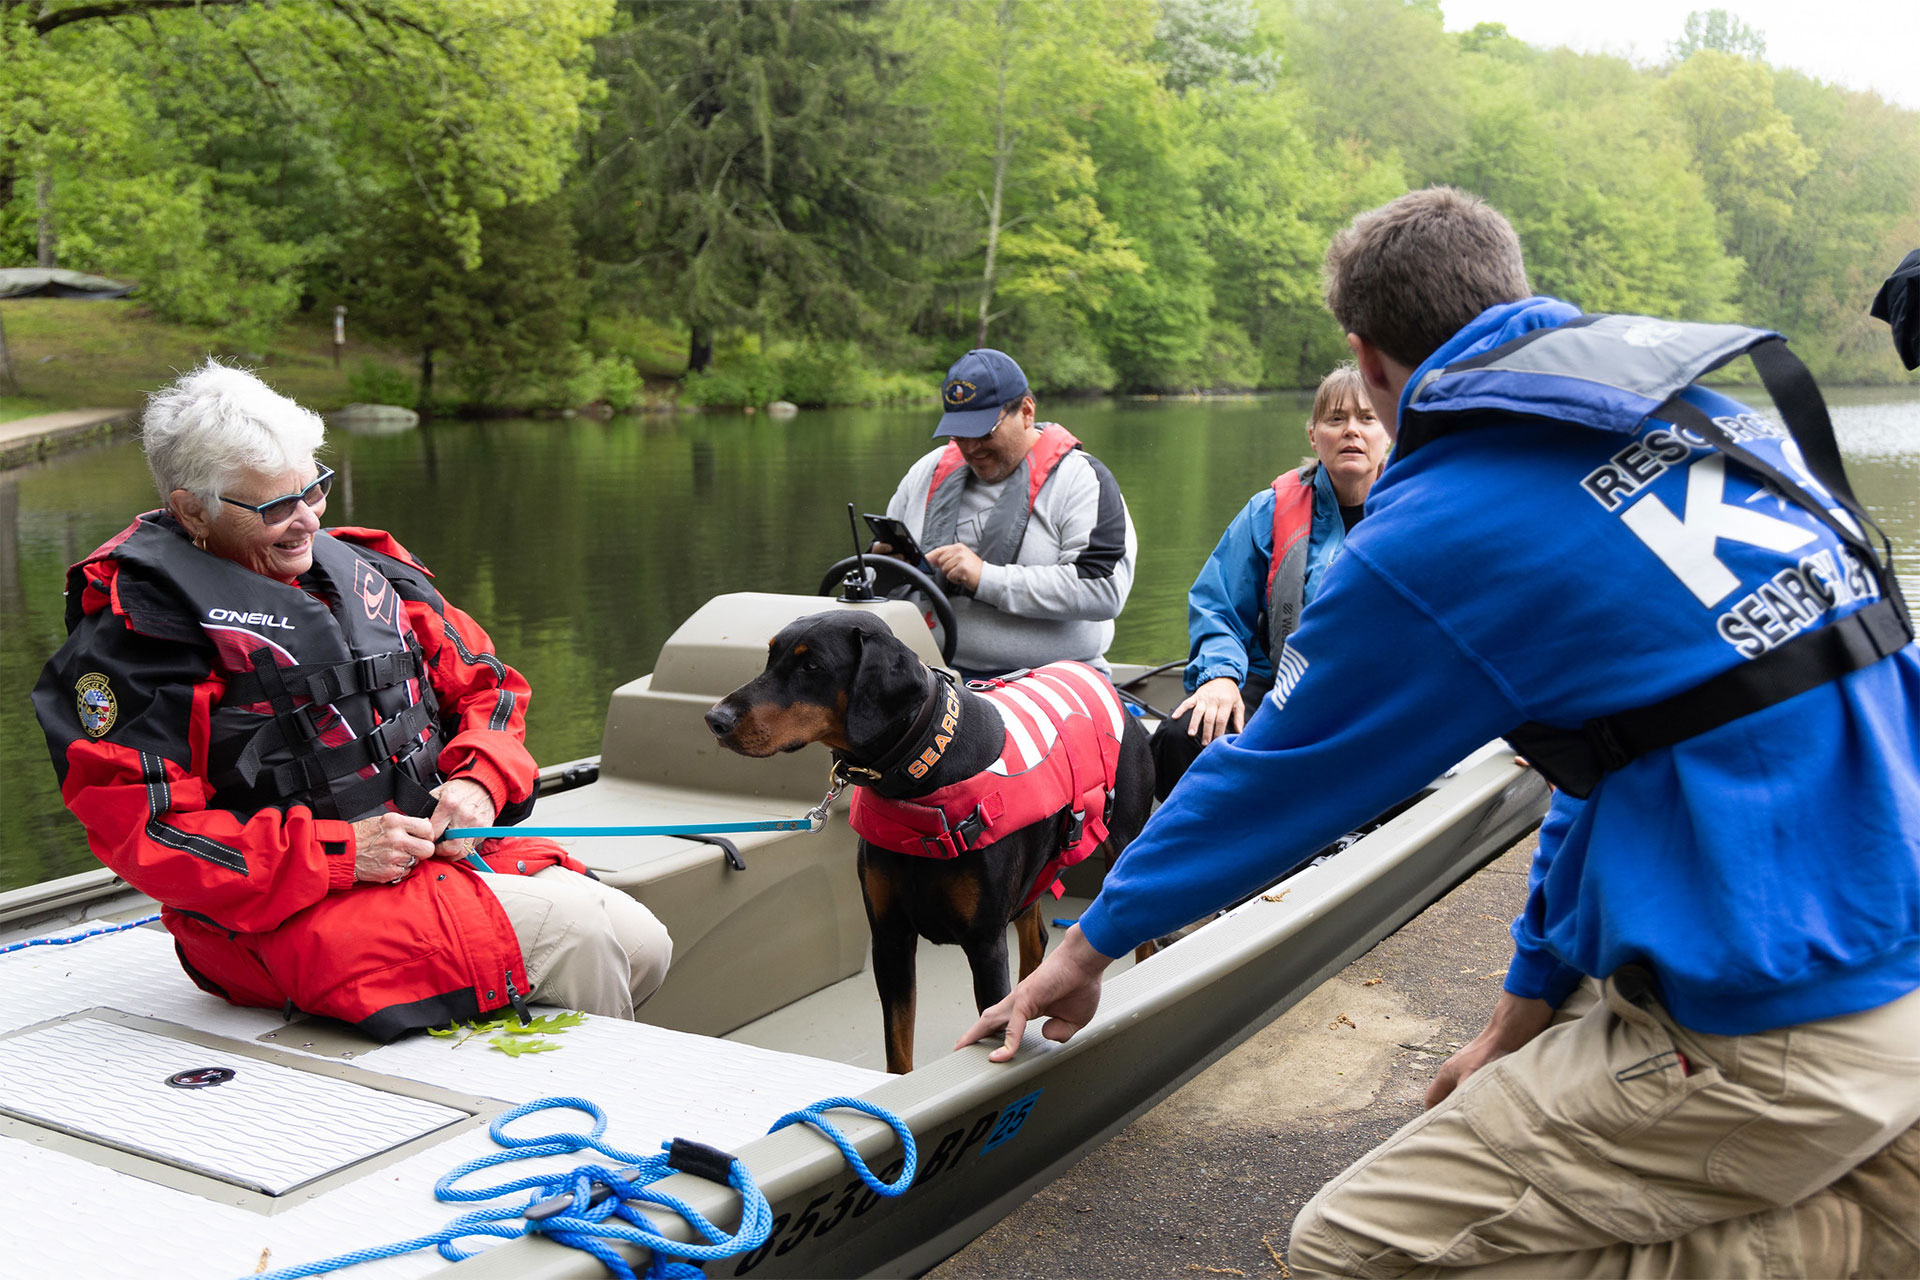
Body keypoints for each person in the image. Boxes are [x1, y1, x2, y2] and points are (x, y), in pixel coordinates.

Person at [961, 188, 1920, 1276]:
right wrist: (1519, 1016)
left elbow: (1275, 771)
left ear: (1368, 361)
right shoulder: (1706, 421)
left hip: (1774, 1021)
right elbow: (1602, 760)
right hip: (1894, 959)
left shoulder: (1446, 524)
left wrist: (1088, 945)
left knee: (1355, 1248)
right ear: (1510, 294)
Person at [33, 360, 671, 1041]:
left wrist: (479, 783)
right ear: (193, 509)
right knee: (584, 941)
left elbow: (490, 687)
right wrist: (340, 854)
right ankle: (582, 1126)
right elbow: (149, 834)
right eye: (275, 506)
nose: (306, 520)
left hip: (433, 859)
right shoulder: (136, 639)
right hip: (270, 917)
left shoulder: (372, 572)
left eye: (314, 489)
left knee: (645, 942)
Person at [1149, 364, 1387, 799]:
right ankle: (1205, 855)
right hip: (1281, 685)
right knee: (1182, 735)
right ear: (1314, 436)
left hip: (1379, 700)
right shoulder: (1269, 510)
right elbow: (1218, 607)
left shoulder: (1414, 513)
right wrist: (1219, 677)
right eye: (1336, 419)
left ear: (1389, 432)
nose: (1352, 430)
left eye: (1367, 418)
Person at [876, 348, 1136, 681]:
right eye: (959, 434)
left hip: (1051, 683)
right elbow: (882, 585)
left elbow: (1104, 589)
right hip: (931, 677)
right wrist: (885, 568)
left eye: (984, 433)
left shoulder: (1082, 480)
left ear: (1026, 412)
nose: (970, 448)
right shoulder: (926, 471)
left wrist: (987, 578)